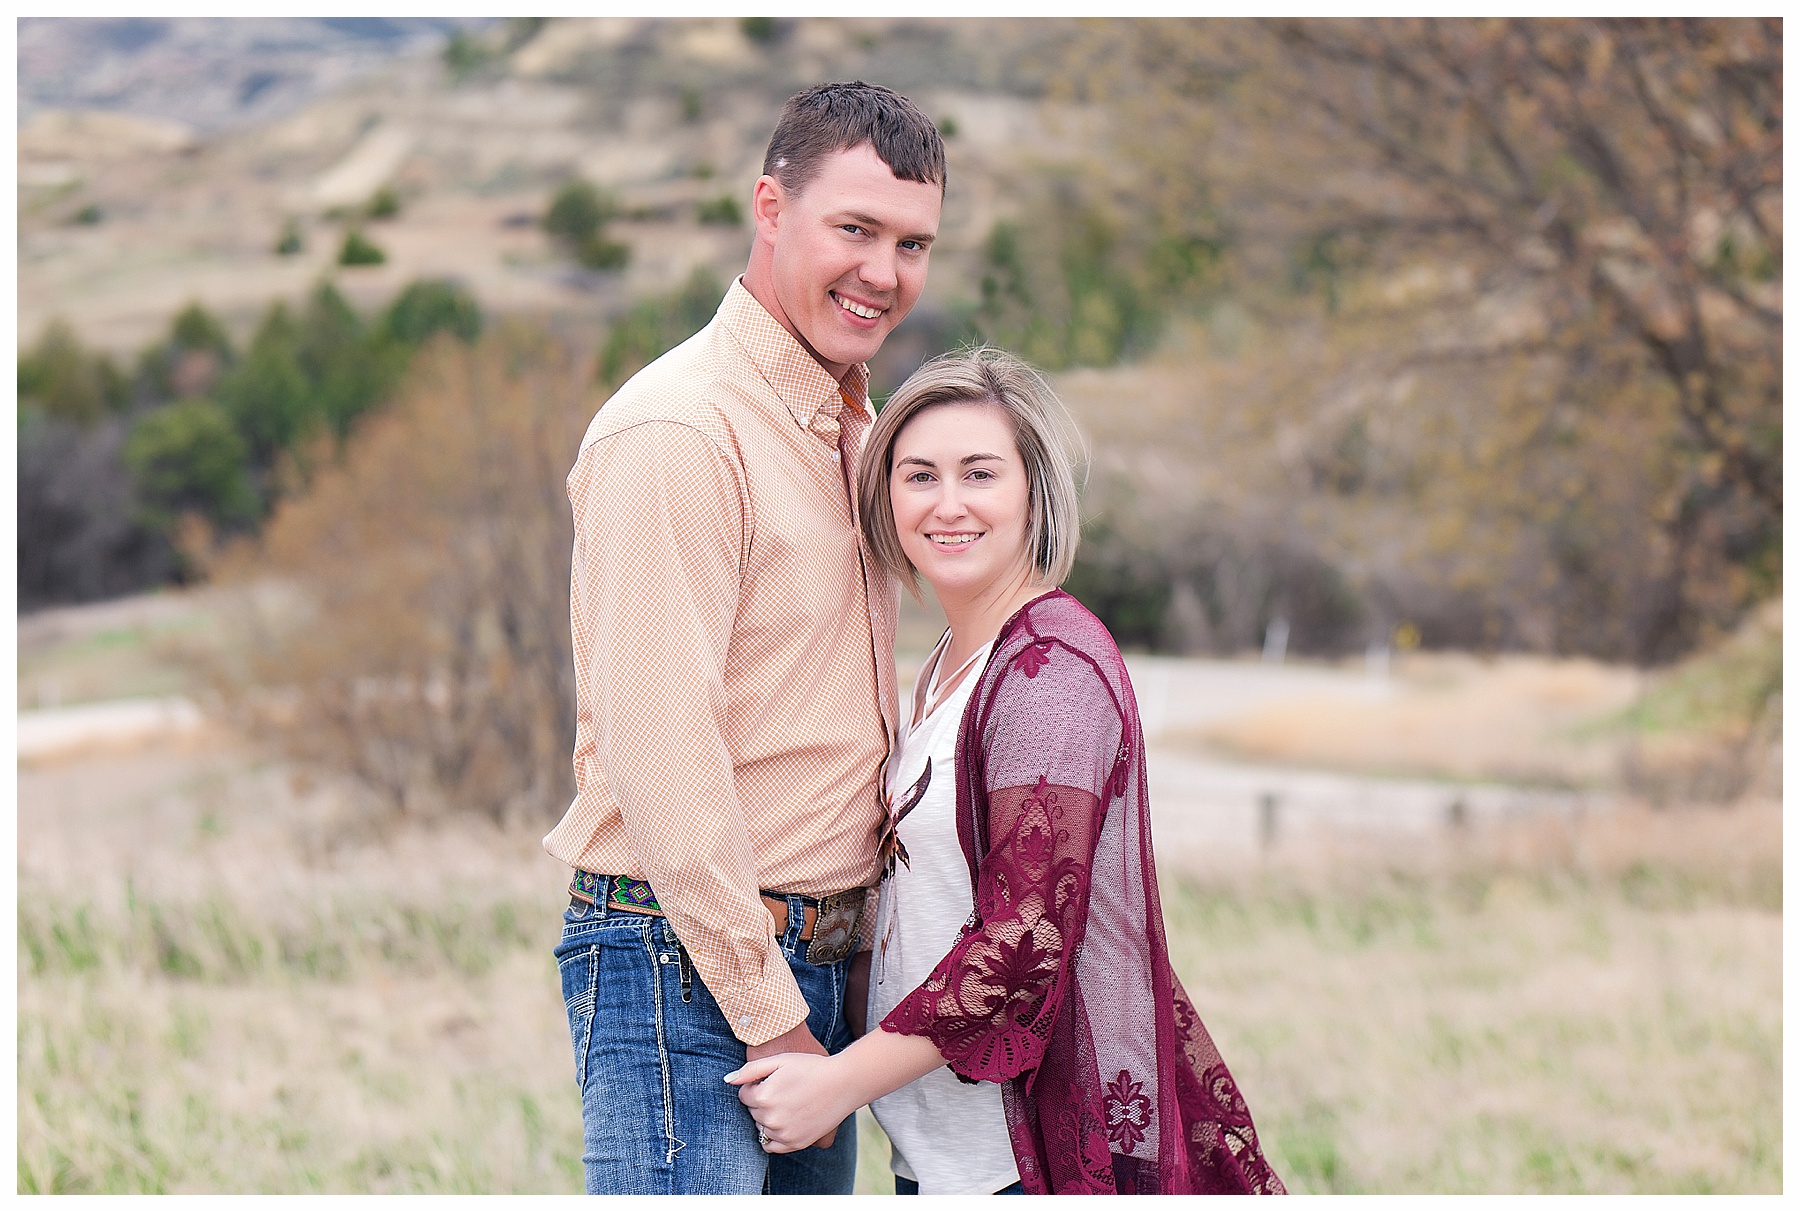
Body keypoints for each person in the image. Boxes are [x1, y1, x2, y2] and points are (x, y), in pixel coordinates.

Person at [727, 349, 1287, 1195]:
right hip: (947, 1160)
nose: (947, 505)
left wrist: (836, 1087)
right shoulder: (953, 663)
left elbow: (1023, 941)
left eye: (979, 474)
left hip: (1028, 1163)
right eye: (919, 476)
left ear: (1034, 491)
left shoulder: (1048, 668)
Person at [544, 81, 946, 1195]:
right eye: (854, 230)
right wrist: (770, 1018)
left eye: (913, 243)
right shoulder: (679, 430)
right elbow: (662, 755)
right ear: (769, 207)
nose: (885, 273)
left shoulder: (854, 430)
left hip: (821, 969)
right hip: (690, 966)